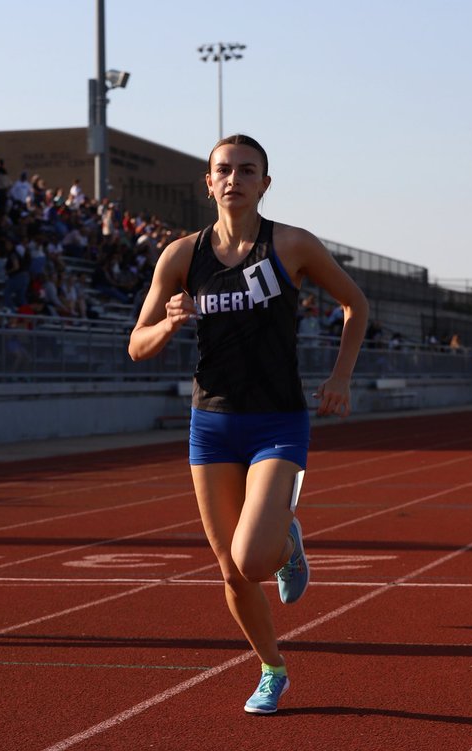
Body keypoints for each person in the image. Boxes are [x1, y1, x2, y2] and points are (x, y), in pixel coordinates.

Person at [128, 134, 368, 714]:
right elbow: (136, 344)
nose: (234, 178)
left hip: (277, 420)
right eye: (223, 170)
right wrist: (170, 324)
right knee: (232, 572)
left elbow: (356, 304)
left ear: (265, 183)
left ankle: (286, 542)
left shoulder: (291, 244)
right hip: (212, 423)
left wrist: (340, 377)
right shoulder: (181, 256)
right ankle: (271, 668)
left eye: (246, 170)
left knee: (253, 558)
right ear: (208, 183)